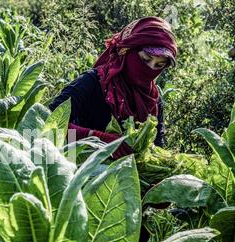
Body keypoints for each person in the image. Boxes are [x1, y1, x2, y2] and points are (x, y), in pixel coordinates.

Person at [49, 17, 177, 159]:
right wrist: (95, 138)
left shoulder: (153, 99)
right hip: (79, 174)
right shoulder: (93, 82)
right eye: (145, 59)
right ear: (126, 52)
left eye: (159, 65)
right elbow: (47, 122)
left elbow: (158, 145)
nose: (150, 69)